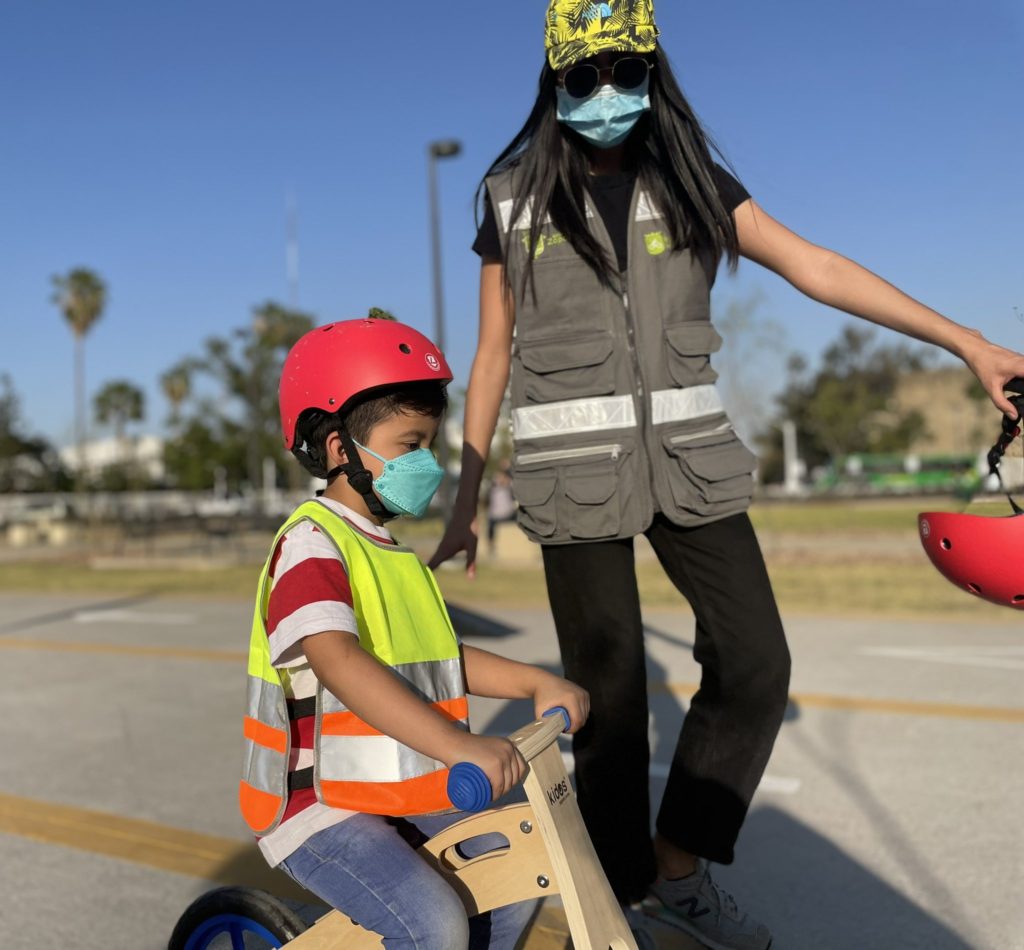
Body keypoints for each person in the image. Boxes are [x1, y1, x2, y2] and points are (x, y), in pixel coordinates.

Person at [428, 2, 1024, 947]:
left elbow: (816, 266)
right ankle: (621, 902)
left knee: (756, 663)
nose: (608, 94)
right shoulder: (511, 197)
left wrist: (966, 342)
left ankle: (677, 865)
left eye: (627, 71)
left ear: (653, 71)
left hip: (691, 471)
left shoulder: (694, 181)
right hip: (572, 482)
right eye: (585, 79)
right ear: (554, 85)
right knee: (611, 698)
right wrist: (465, 501)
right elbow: (493, 353)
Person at [240, 316, 590, 949]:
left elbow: (442, 660)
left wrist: (535, 680)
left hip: (389, 778)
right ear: (341, 450)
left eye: (431, 443)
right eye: (410, 444)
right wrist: (460, 745)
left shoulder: (390, 553)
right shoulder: (311, 545)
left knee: (510, 869)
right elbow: (337, 660)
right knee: (433, 923)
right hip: (315, 804)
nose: (427, 462)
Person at [485, 461, 517, 556]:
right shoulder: (494, 484)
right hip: (496, 516)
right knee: (490, 526)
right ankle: (491, 549)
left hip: (508, 514)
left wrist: (508, 469)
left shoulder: (510, 485)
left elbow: (512, 479)